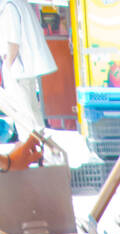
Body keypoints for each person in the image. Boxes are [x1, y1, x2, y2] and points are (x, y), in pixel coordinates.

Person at [0, 0, 56, 136]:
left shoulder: (9, 8)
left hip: (18, 69)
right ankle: (40, 146)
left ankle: (33, 146)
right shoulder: (19, 4)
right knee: (31, 111)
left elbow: (13, 42)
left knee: (24, 113)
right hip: (25, 68)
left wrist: (7, 68)